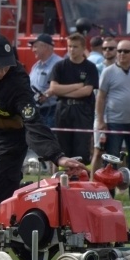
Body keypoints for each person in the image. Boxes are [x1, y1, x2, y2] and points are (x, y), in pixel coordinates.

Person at [0, 34, 86, 223]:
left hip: (12, 138)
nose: (2, 71)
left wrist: (57, 156)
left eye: (6, 65)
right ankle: (4, 229)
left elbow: (33, 122)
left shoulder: (17, 82)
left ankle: (2, 235)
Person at [96, 40, 130, 199]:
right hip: (114, 123)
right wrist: (100, 120)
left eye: (126, 51)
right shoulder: (108, 72)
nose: (121, 54)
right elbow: (101, 97)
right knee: (111, 160)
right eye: (119, 51)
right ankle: (108, 192)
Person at [48, 33, 100, 163]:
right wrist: (77, 86)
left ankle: (80, 174)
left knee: (81, 148)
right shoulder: (60, 66)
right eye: (69, 46)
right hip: (63, 109)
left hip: (82, 110)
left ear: (83, 48)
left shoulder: (90, 67)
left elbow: (87, 91)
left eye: (75, 47)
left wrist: (62, 91)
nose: (72, 49)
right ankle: (62, 174)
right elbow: (53, 88)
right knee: (62, 148)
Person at [90, 37, 117, 171]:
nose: (107, 51)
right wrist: (100, 119)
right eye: (104, 48)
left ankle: (120, 181)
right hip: (100, 115)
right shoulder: (96, 69)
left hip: (118, 116)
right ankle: (93, 181)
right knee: (98, 151)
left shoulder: (121, 69)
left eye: (111, 48)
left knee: (118, 153)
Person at [28, 33, 62, 129]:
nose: (33, 50)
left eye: (35, 47)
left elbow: (62, 87)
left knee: (49, 137)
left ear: (45, 47)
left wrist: (46, 95)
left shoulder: (59, 64)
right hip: (37, 112)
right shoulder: (36, 66)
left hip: (52, 112)